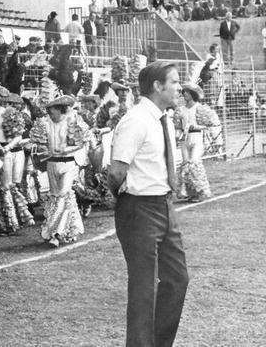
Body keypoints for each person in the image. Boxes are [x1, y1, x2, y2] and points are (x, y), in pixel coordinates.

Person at [108, 61, 189, 347]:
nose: (180, 88)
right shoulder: (136, 120)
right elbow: (117, 171)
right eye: (175, 82)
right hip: (139, 208)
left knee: (178, 279)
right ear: (157, 86)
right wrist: (126, 201)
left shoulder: (160, 118)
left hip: (164, 206)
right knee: (144, 289)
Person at [30, 95, 88, 247]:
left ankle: (55, 233)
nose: (50, 113)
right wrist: (42, 148)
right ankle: (69, 229)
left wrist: (66, 149)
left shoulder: (72, 122)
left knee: (63, 194)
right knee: (56, 196)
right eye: (48, 110)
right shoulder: (44, 123)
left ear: (60, 109)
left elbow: (81, 143)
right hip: (51, 164)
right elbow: (39, 143)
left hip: (68, 164)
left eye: (53, 109)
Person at [0, 86, 35, 235]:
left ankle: (11, 222)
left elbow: (18, 136)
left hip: (5, 152)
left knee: (6, 187)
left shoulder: (8, 114)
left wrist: (7, 148)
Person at [174, 84, 219, 203]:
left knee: (194, 163)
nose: (185, 94)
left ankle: (201, 191)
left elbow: (211, 125)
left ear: (193, 94)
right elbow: (178, 126)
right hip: (185, 140)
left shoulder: (201, 109)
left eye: (187, 92)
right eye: (184, 92)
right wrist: (177, 134)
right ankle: (190, 192)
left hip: (197, 138)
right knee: (185, 165)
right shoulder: (180, 110)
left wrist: (197, 127)